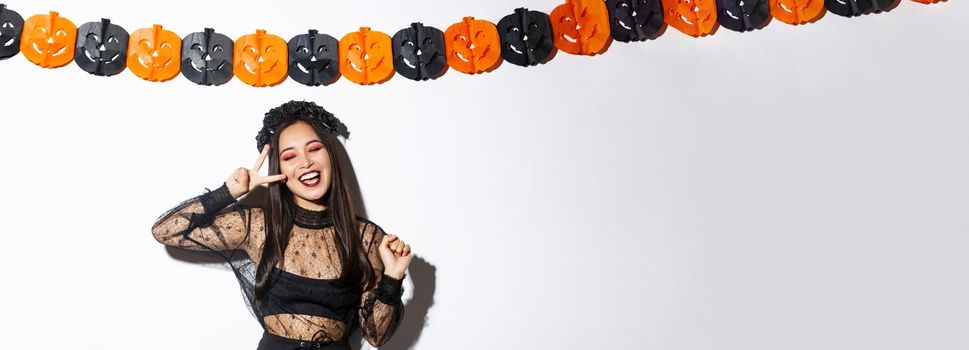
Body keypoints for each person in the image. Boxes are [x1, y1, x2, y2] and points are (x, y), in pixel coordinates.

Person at [151, 100, 412, 349]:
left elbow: (377, 336)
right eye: (290, 156)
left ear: (330, 156)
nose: (305, 162)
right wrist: (228, 192)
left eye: (314, 149)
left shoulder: (366, 237)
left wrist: (393, 277)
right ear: (280, 170)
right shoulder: (258, 226)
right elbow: (166, 231)